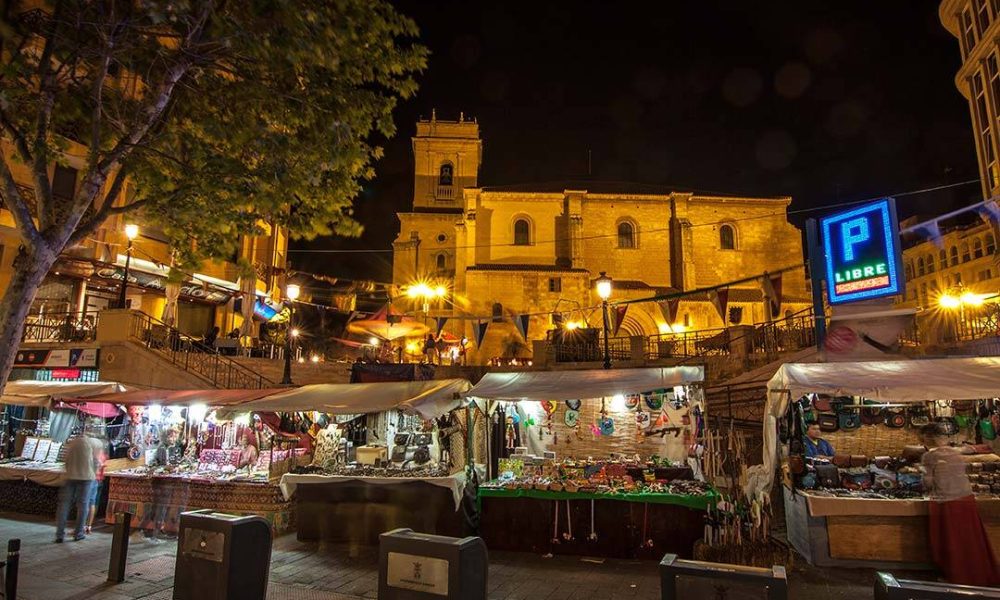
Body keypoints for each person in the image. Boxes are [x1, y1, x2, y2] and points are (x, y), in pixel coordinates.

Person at [920, 424, 999, 586]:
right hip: (966, 498)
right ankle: (979, 574)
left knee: (952, 541)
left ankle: (957, 577)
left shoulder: (930, 456)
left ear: (927, 438)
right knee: (970, 539)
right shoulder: (955, 452)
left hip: (948, 501)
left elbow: (928, 482)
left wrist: (920, 473)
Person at [55, 429, 103, 542]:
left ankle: (59, 534)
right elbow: (97, 461)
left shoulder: (72, 443)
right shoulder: (95, 443)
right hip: (86, 477)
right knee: (83, 505)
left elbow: (65, 460)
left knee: (64, 505)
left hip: (70, 475)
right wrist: (95, 471)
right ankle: (79, 533)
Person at [84, 431, 108, 535]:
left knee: (87, 502)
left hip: (92, 480)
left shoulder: (94, 455)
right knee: (94, 503)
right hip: (100, 480)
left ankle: (84, 525)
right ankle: (89, 525)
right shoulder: (104, 455)